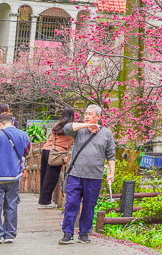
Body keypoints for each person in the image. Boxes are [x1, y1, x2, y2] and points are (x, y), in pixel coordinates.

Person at [59, 105, 116, 245]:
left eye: (90, 114)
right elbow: (66, 128)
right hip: (75, 174)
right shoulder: (79, 130)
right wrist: (86, 125)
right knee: (71, 204)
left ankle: (84, 233)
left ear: (98, 116)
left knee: (89, 205)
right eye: (86, 114)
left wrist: (111, 173)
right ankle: (67, 233)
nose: (87, 116)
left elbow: (111, 155)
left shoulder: (106, 133)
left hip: (94, 176)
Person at [0, 112, 31, 245]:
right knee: (12, 205)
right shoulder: (23, 135)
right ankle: (9, 234)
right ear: (12, 122)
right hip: (14, 175)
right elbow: (26, 152)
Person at [38, 108, 75, 209]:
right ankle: (44, 202)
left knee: (44, 176)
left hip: (46, 150)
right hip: (56, 153)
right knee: (51, 178)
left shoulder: (57, 124)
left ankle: (43, 200)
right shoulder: (71, 127)